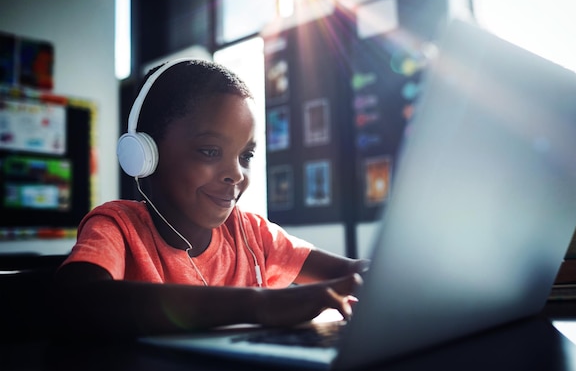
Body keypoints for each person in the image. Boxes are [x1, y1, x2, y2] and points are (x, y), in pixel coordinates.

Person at [51, 59, 369, 338]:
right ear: (145, 154)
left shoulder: (251, 233)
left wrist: (378, 277)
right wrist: (261, 304)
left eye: (246, 155)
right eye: (210, 151)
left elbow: (351, 273)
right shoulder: (118, 227)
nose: (237, 174)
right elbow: (77, 300)